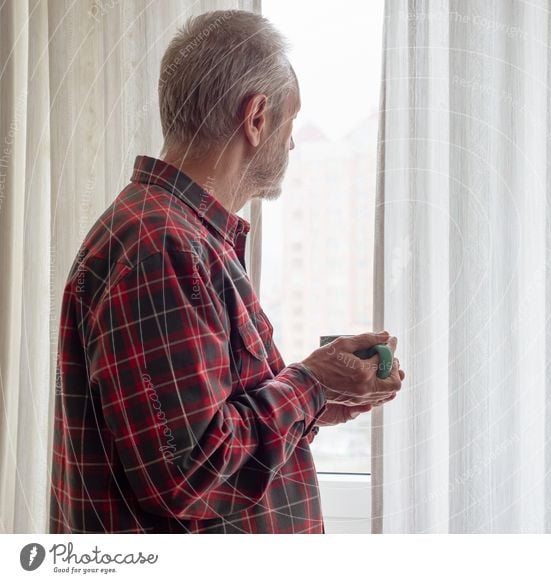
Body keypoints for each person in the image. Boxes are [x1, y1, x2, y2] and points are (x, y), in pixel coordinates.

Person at [49, 9, 403, 534]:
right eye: (292, 119)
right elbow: (188, 475)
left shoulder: (180, 238)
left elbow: (210, 424)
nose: (292, 141)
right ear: (256, 117)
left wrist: (314, 400)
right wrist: (308, 385)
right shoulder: (162, 247)